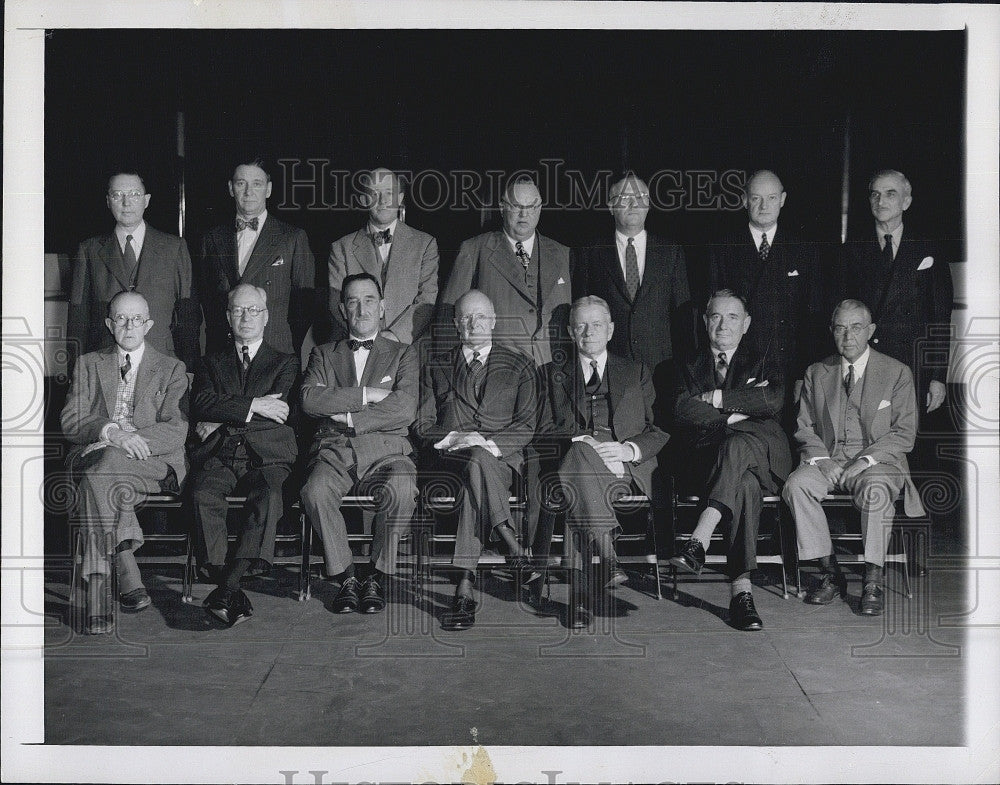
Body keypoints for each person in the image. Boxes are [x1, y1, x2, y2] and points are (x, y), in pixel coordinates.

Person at [782, 299, 925, 616]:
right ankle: (830, 572)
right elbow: (804, 427)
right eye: (840, 327)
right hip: (829, 460)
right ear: (831, 331)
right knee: (796, 486)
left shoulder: (896, 372)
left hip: (878, 464)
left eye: (856, 327)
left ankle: (873, 578)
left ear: (871, 331)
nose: (848, 336)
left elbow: (904, 433)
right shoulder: (817, 372)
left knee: (875, 488)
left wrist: (866, 460)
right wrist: (823, 460)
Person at [60, 291, 188, 634]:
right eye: (120, 318)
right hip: (100, 456)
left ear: (148, 325)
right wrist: (111, 432)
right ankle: (125, 565)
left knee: (99, 476)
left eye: (136, 319)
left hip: (151, 463)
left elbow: (176, 430)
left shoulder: (173, 368)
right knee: (104, 476)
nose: (129, 325)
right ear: (108, 324)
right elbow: (71, 422)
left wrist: (132, 442)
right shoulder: (88, 363)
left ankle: (100, 592)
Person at [669, 290, 792, 631]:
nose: (723, 325)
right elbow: (682, 409)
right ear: (705, 321)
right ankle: (741, 592)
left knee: (739, 452)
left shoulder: (764, 358)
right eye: (716, 317)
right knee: (744, 483)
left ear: (747, 323)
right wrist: (735, 416)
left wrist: (719, 398)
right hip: (708, 462)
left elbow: (773, 400)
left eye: (733, 317)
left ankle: (701, 537)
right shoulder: (682, 364)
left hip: (764, 457)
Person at [415, 290, 539, 630]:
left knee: (478, 467)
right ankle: (511, 543)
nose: (473, 323)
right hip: (451, 461)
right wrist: (456, 439)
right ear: (456, 324)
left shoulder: (520, 365)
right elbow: (423, 424)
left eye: (481, 316)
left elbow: (527, 424)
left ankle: (464, 586)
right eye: (466, 318)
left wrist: (487, 444)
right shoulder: (435, 365)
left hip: (501, 462)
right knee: (471, 466)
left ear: (494, 321)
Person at [542, 296, 668, 628]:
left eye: (597, 324)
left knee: (576, 486)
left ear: (610, 329)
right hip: (574, 463)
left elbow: (659, 430)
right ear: (570, 331)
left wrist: (629, 450)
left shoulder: (636, 370)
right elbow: (540, 430)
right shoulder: (551, 374)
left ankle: (580, 598)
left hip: (624, 470)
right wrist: (579, 441)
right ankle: (608, 559)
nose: (589, 332)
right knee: (579, 463)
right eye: (581, 325)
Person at [299, 273, 418, 615]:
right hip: (334, 451)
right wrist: (368, 395)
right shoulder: (324, 353)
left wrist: (349, 416)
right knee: (314, 491)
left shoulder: (403, 354)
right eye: (353, 301)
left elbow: (406, 407)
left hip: (387, 452)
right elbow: (309, 400)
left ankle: (377, 575)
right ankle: (347, 576)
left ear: (382, 308)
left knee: (402, 487)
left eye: (369, 300)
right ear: (342, 309)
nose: (361, 308)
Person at [188, 284, 299, 627]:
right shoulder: (210, 362)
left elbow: (281, 413)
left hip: (267, 456)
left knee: (268, 495)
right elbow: (200, 402)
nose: (246, 317)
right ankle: (229, 585)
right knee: (201, 492)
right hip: (220, 454)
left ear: (266, 317)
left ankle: (227, 586)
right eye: (238, 310)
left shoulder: (286, 362)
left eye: (253, 310)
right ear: (227, 317)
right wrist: (254, 405)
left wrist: (223, 415)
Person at [572, 173, 694, 417]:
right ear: (610, 205)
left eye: (640, 197)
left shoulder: (670, 251)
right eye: (624, 198)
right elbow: (580, 312)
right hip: (610, 367)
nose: (633, 204)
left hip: (661, 368)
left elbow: (683, 316)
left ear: (649, 204)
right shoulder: (591, 251)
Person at [707, 170, 823, 424]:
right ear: (745, 200)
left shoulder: (803, 249)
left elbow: (811, 318)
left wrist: (806, 372)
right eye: (756, 198)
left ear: (782, 200)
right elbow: (714, 314)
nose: (763, 206)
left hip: (788, 366)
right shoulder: (724, 247)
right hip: (741, 365)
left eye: (771, 198)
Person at [839, 169, 954, 415]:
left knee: (905, 444)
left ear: (906, 202)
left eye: (890, 194)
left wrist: (937, 376)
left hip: (911, 368)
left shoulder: (927, 249)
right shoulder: (851, 250)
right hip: (865, 364)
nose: (881, 202)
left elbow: (940, 319)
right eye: (875, 195)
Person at [68, 169, 200, 369]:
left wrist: (189, 371)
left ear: (146, 200)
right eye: (117, 195)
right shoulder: (90, 250)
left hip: (163, 365)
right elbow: (78, 320)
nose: (126, 202)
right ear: (108, 201)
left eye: (134, 194)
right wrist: (75, 372)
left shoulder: (174, 248)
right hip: (105, 366)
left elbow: (188, 319)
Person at [439, 177, 571, 366]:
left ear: (540, 208)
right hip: (498, 370)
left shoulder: (562, 253)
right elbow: (448, 317)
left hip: (553, 369)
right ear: (502, 208)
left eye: (532, 206)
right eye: (516, 206)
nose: (524, 214)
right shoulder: (474, 249)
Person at [199, 158, 316, 357]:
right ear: (230, 188)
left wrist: (282, 342)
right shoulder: (212, 238)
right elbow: (206, 300)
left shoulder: (292, 238)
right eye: (241, 183)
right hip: (223, 353)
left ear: (268, 189)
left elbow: (304, 306)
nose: (248, 192)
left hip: (277, 353)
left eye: (257, 184)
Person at [328, 167, 439, 344]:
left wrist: (395, 336)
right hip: (360, 348)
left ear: (400, 198)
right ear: (364, 200)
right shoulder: (341, 248)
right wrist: (368, 338)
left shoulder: (425, 244)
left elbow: (427, 300)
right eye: (374, 194)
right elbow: (337, 304)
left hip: (408, 349)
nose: (383, 200)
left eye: (389, 192)